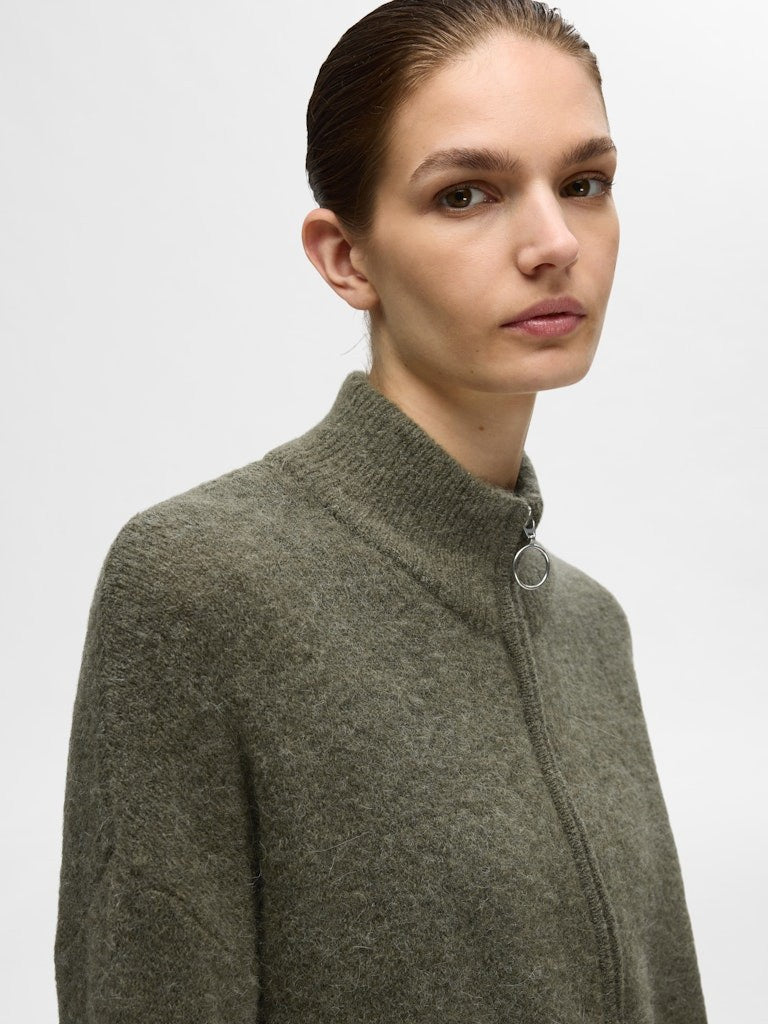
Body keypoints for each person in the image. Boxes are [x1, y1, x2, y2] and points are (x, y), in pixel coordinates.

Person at [54, 1, 709, 1021]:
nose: (553, 242)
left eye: (585, 184)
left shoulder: (590, 629)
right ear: (345, 257)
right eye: (465, 194)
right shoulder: (197, 584)